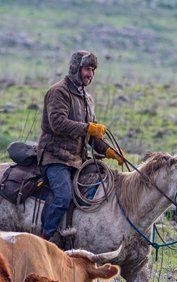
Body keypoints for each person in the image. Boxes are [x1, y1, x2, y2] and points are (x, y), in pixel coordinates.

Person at [36, 50, 125, 243]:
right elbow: (57, 123)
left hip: (77, 160)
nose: (90, 74)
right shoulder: (58, 92)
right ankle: (44, 239)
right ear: (75, 68)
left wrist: (109, 151)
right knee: (63, 196)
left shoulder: (87, 98)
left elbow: (91, 136)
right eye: (87, 69)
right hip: (55, 157)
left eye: (93, 70)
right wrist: (88, 128)